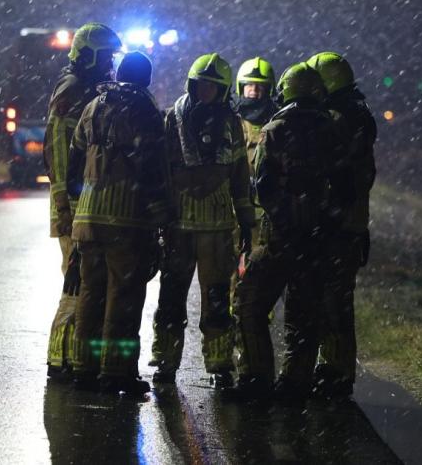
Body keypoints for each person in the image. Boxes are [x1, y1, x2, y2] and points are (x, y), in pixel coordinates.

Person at [226, 63, 349, 403]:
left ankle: (256, 376)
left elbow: (263, 187)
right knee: (303, 313)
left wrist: (284, 220)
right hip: (317, 241)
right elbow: (345, 187)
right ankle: (296, 382)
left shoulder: (274, 130)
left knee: (249, 304)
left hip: (279, 240)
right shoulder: (333, 132)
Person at [65, 51, 170, 395]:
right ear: (145, 79)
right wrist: (160, 214)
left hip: (88, 217)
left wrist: (79, 202)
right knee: (123, 297)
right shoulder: (144, 110)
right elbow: (151, 167)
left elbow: (74, 159)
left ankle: (84, 367)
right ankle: (116, 372)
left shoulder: (93, 106)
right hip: (126, 218)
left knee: (90, 293)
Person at [150, 53, 254, 388]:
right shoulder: (173, 118)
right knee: (171, 298)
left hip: (218, 227)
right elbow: (161, 170)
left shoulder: (231, 124)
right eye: (201, 85)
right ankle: (165, 361)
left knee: (217, 300)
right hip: (178, 225)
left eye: (212, 86)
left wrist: (247, 222)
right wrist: (160, 214)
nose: (205, 91)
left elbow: (239, 176)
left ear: (223, 90)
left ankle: (220, 364)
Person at [44, 23, 123, 381]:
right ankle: (60, 358)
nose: (110, 64)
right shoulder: (73, 89)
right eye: (106, 57)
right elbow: (59, 148)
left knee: (88, 280)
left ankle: (75, 357)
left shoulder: (88, 88)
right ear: (88, 55)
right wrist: (66, 202)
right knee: (76, 281)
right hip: (73, 204)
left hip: (84, 202)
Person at [306, 52, 377, 397]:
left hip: (338, 226)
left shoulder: (337, 120)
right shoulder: (357, 116)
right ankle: (333, 367)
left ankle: (336, 372)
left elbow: (332, 172)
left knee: (332, 300)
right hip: (349, 225)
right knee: (336, 299)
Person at [232, 57, 276, 260]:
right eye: (249, 85)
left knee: (259, 263)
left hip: (264, 207)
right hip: (234, 207)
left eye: (260, 86)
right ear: (241, 87)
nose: (254, 91)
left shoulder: (276, 121)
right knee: (229, 263)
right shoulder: (231, 121)